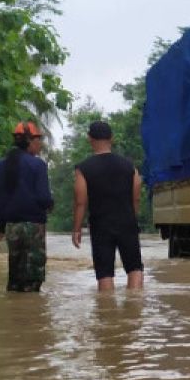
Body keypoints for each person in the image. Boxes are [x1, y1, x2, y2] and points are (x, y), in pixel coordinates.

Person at [72, 120, 144, 291]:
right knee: (134, 268)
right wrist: (132, 219)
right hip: (127, 222)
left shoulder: (83, 168)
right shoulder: (129, 166)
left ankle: (107, 312)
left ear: (89, 138)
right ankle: (135, 311)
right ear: (111, 138)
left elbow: (81, 201)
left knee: (104, 273)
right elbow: (136, 198)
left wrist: (76, 229)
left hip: (100, 225)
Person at [0, 121, 53, 292]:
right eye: (38, 139)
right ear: (29, 141)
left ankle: (15, 313)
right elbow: (43, 197)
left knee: (16, 276)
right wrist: (50, 205)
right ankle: (31, 314)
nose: (40, 143)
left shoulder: (0, 166)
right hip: (34, 227)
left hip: (12, 227)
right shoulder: (38, 165)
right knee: (33, 277)